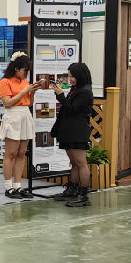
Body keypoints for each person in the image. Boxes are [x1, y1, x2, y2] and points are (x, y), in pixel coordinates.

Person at [49, 63, 94, 207]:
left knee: (81, 163)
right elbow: (68, 106)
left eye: (73, 76)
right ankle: (72, 190)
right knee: (74, 162)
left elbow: (72, 108)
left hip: (78, 130)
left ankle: (83, 195)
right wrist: (60, 95)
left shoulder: (85, 91)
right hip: (69, 129)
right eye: (69, 76)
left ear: (80, 76)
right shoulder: (77, 89)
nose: (70, 79)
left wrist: (60, 95)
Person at [0, 52, 41, 199]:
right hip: (13, 115)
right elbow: (7, 102)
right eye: (25, 70)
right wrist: (24, 91)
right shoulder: (4, 82)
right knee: (10, 153)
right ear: (16, 69)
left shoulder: (25, 82)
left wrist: (32, 92)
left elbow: (29, 103)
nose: (26, 74)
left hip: (24, 115)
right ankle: (8, 187)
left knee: (22, 153)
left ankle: (17, 185)